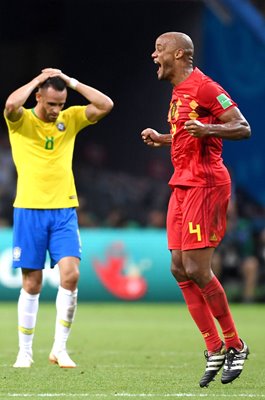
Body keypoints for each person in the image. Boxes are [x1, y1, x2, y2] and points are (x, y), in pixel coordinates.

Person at [141, 32, 251, 387]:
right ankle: (214, 346)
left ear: (178, 53)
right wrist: (165, 138)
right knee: (178, 268)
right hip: (182, 183)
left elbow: (242, 127)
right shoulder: (178, 91)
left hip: (205, 183)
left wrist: (207, 128)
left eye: (159, 50)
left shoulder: (205, 87)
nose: (154, 55)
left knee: (196, 268)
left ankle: (236, 344)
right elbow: (188, 131)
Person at [4, 68, 114, 368]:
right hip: (28, 209)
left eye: (60, 104)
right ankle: (24, 352)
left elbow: (106, 105)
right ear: (38, 96)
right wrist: (37, 80)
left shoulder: (71, 118)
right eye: (51, 104)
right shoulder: (22, 121)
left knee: (71, 275)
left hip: (64, 210)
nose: (56, 110)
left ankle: (59, 349)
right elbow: (11, 106)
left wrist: (72, 82)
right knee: (32, 283)